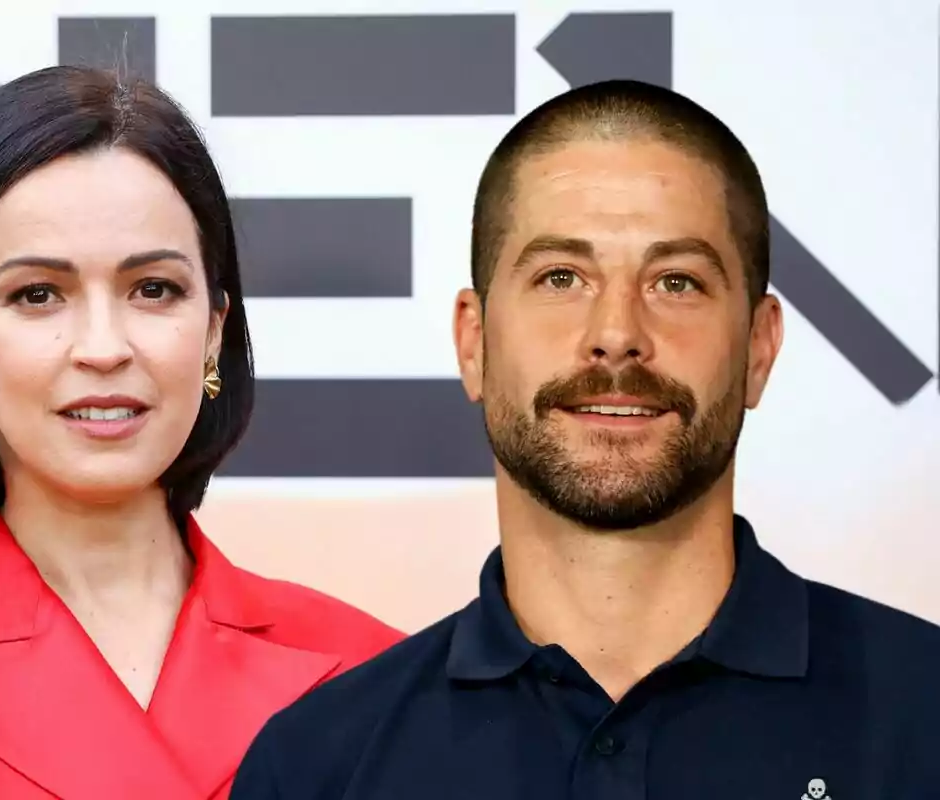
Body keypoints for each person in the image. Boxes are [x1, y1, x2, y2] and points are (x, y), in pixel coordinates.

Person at [229, 79, 940, 799]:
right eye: (561, 277)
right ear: (473, 343)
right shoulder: (320, 765)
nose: (617, 336)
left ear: (758, 348)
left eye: (677, 282)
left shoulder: (923, 716)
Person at [0, 65, 402, 799]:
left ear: (213, 328)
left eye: (153, 289)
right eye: (38, 295)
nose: (102, 346)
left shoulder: (375, 675)